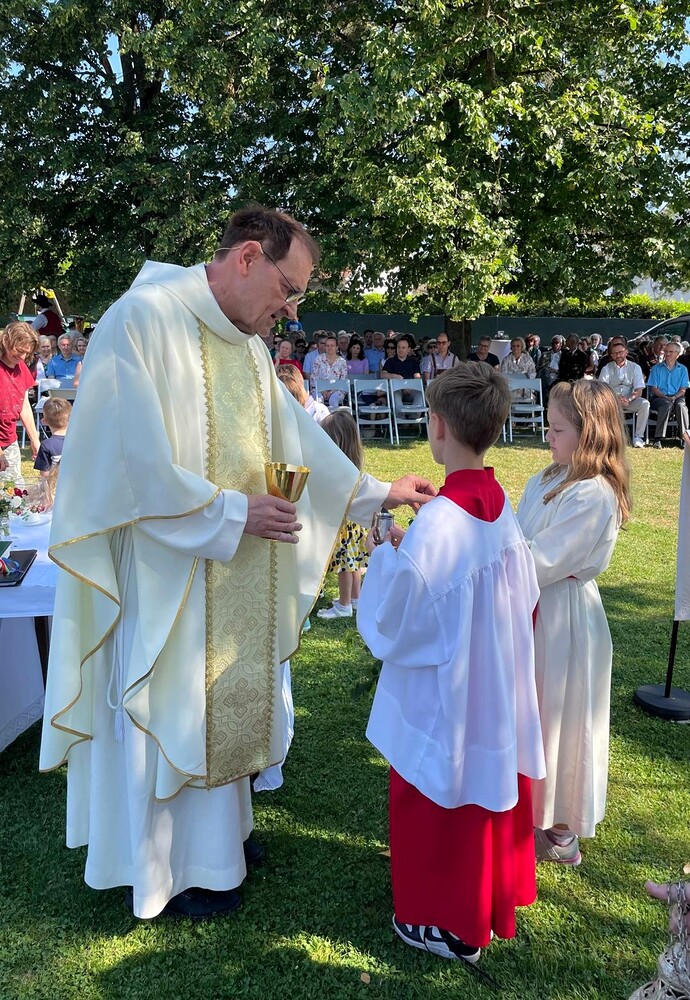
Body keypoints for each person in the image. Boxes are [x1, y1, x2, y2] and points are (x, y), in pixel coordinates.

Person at [39, 205, 435, 921]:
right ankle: (164, 870)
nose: (291, 310)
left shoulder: (248, 345)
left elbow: (300, 444)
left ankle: (220, 847)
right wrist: (231, 514)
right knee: (171, 702)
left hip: (233, 567)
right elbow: (129, 464)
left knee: (223, 698)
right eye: (289, 288)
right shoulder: (142, 319)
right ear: (249, 257)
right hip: (163, 571)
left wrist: (377, 493)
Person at [358, 362, 545, 963]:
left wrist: (384, 554)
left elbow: (396, 622)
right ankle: (480, 903)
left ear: (437, 426)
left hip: (445, 689)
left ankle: (441, 918)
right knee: (482, 789)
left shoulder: (439, 522)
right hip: (491, 680)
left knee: (436, 796)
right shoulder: (498, 500)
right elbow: (521, 595)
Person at [516, 380, 631, 865]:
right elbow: (516, 535)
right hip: (532, 611)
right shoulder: (547, 477)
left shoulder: (594, 494)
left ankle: (560, 831)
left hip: (564, 620)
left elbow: (541, 559)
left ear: (589, 434)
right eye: (548, 425)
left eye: (558, 429)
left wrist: (480, 557)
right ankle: (526, 815)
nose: (548, 436)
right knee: (534, 714)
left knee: (562, 720)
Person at [317, 410, 369, 620]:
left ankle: (344, 605)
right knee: (353, 562)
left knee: (345, 565)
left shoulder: (338, 471)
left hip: (344, 526)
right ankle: (355, 598)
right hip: (355, 524)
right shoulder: (353, 466)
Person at [0, 321, 40, 482]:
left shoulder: (21, 367)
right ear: (6, 341)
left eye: (26, 353)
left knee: (15, 491)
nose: (22, 357)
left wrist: (34, 440)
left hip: (9, 439)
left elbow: (23, 404)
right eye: (19, 351)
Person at [598, 340, 649, 448]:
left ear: (626, 352)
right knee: (599, 405)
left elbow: (639, 390)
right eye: (615, 353)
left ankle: (638, 437)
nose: (618, 355)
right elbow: (603, 390)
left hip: (629, 400)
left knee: (645, 404)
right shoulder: (606, 368)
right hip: (611, 401)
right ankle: (605, 437)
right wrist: (615, 399)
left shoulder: (635, 367)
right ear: (612, 355)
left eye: (620, 352)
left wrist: (629, 399)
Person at [647, 340, 690, 447]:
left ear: (677, 354)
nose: (667, 353)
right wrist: (665, 397)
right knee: (666, 405)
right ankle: (658, 438)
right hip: (659, 397)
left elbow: (683, 389)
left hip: (677, 396)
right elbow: (654, 389)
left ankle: (684, 439)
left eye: (670, 351)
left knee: (681, 406)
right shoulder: (656, 368)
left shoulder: (683, 369)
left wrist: (675, 397)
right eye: (666, 351)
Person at [34, 396, 71, 477]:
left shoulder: (46, 445)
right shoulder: (77, 442)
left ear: (44, 420)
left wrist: (39, 460)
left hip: (55, 484)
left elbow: (44, 474)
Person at [310, 333, 348, 409]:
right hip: (319, 389)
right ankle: (321, 417)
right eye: (327, 345)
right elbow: (313, 378)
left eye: (332, 345)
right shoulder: (318, 359)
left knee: (333, 400)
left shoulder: (342, 362)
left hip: (337, 390)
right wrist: (322, 391)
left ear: (337, 347)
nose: (329, 347)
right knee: (319, 400)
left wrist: (331, 391)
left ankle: (334, 417)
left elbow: (343, 381)